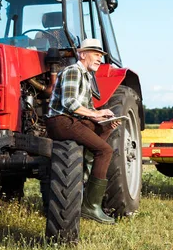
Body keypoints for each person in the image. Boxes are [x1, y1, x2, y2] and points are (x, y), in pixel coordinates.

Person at [45, 38, 121, 224]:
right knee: (105, 150)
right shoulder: (73, 71)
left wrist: (102, 118)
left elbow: (86, 111)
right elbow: (69, 103)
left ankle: (86, 176)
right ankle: (91, 206)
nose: (99, 60)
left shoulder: (86, 76)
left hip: (72, 120)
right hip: (61, 121)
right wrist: (97, 113)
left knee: (104, 128)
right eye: (96, 55)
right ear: (83, 54)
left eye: (100, 56)